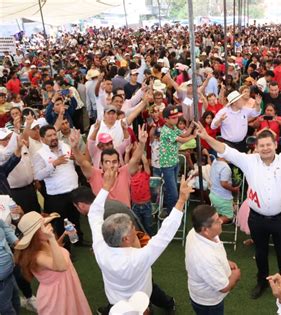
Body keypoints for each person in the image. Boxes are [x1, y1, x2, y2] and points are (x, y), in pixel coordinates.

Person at [194, 113, 281, 299]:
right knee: (260, 254)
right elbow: (226, 150)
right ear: (256, 148)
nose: (266, 148)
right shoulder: (248, 161)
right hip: (257, 218)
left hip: (280, 219)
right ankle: (262, 282)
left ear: (275, 145)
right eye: (262, 145)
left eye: (269, 144)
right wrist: (206, 137)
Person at [88, 168, 193, 314]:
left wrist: (106, 186)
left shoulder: (100, 248)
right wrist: (181, 200)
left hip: (117, 304)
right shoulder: (139, 257)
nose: (134, 229)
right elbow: (165, 234)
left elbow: (94, 213)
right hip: (142, 304)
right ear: (125, 239)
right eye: (132, 228)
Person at [14, 211, 92, 315]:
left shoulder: (42, 242)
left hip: (65, 287)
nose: (49, 225)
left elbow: (56, 251)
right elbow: (61, 266)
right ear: (35, 234)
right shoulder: (37, 256)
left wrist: (64, 235)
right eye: (44, 225)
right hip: (56, 296)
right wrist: (51, 238)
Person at [71, 125, 147, 208]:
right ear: (101, 164)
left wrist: (142, 143)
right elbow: (82, 163)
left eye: (114, 162)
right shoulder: (94, 174)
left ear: (119, 163)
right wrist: (74, 147)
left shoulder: (125, 172)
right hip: (103, 218)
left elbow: (135, 159)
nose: (111, 165)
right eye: (107, 162)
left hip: (124, 217)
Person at [185, 204, 241, 314]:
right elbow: (224, 287)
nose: (221, 221)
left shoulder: (196, 232)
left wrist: (225, 262)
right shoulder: (206, 258)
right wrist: (235, 276)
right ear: (205, 230)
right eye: (216, 221)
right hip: (208, 304)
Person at [32, 125, 82, 245]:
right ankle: (65, 248)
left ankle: (79, 240)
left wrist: (75, 158)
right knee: (61, 223)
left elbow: (74, 164)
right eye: (49, 136)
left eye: (54, 134)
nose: (53, 137)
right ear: (43, 139)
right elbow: (38, 176)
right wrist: (53, 164)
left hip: (73, 190)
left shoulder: (65, 146)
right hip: (57, 195)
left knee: (75, 218)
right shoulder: (39, 154)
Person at [209, 157, 239, 224]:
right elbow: (224, 184)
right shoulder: (226, 168)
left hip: (213, 194)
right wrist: (234, 189)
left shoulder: (215, 161)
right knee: (229, 216)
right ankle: (211, 226)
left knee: (218, 211)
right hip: (223, 198)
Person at [0, 219, 20, 315]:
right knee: (6, 308)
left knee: (15, 298)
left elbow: (4, 227)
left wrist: (17, 243)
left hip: (9, 270)